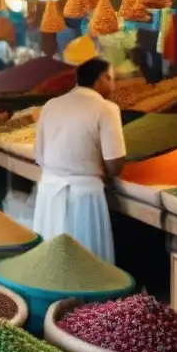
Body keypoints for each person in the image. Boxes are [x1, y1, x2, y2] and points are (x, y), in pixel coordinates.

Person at [33, 57, 125, 263]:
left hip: (49, 190)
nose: (113, 85)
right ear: (101, 79)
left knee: (51, 260)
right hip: (84, 196)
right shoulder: (106, 108)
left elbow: (38, 154)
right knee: (85, 264)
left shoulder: (51, 105)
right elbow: (115, 165)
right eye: (111, 79)